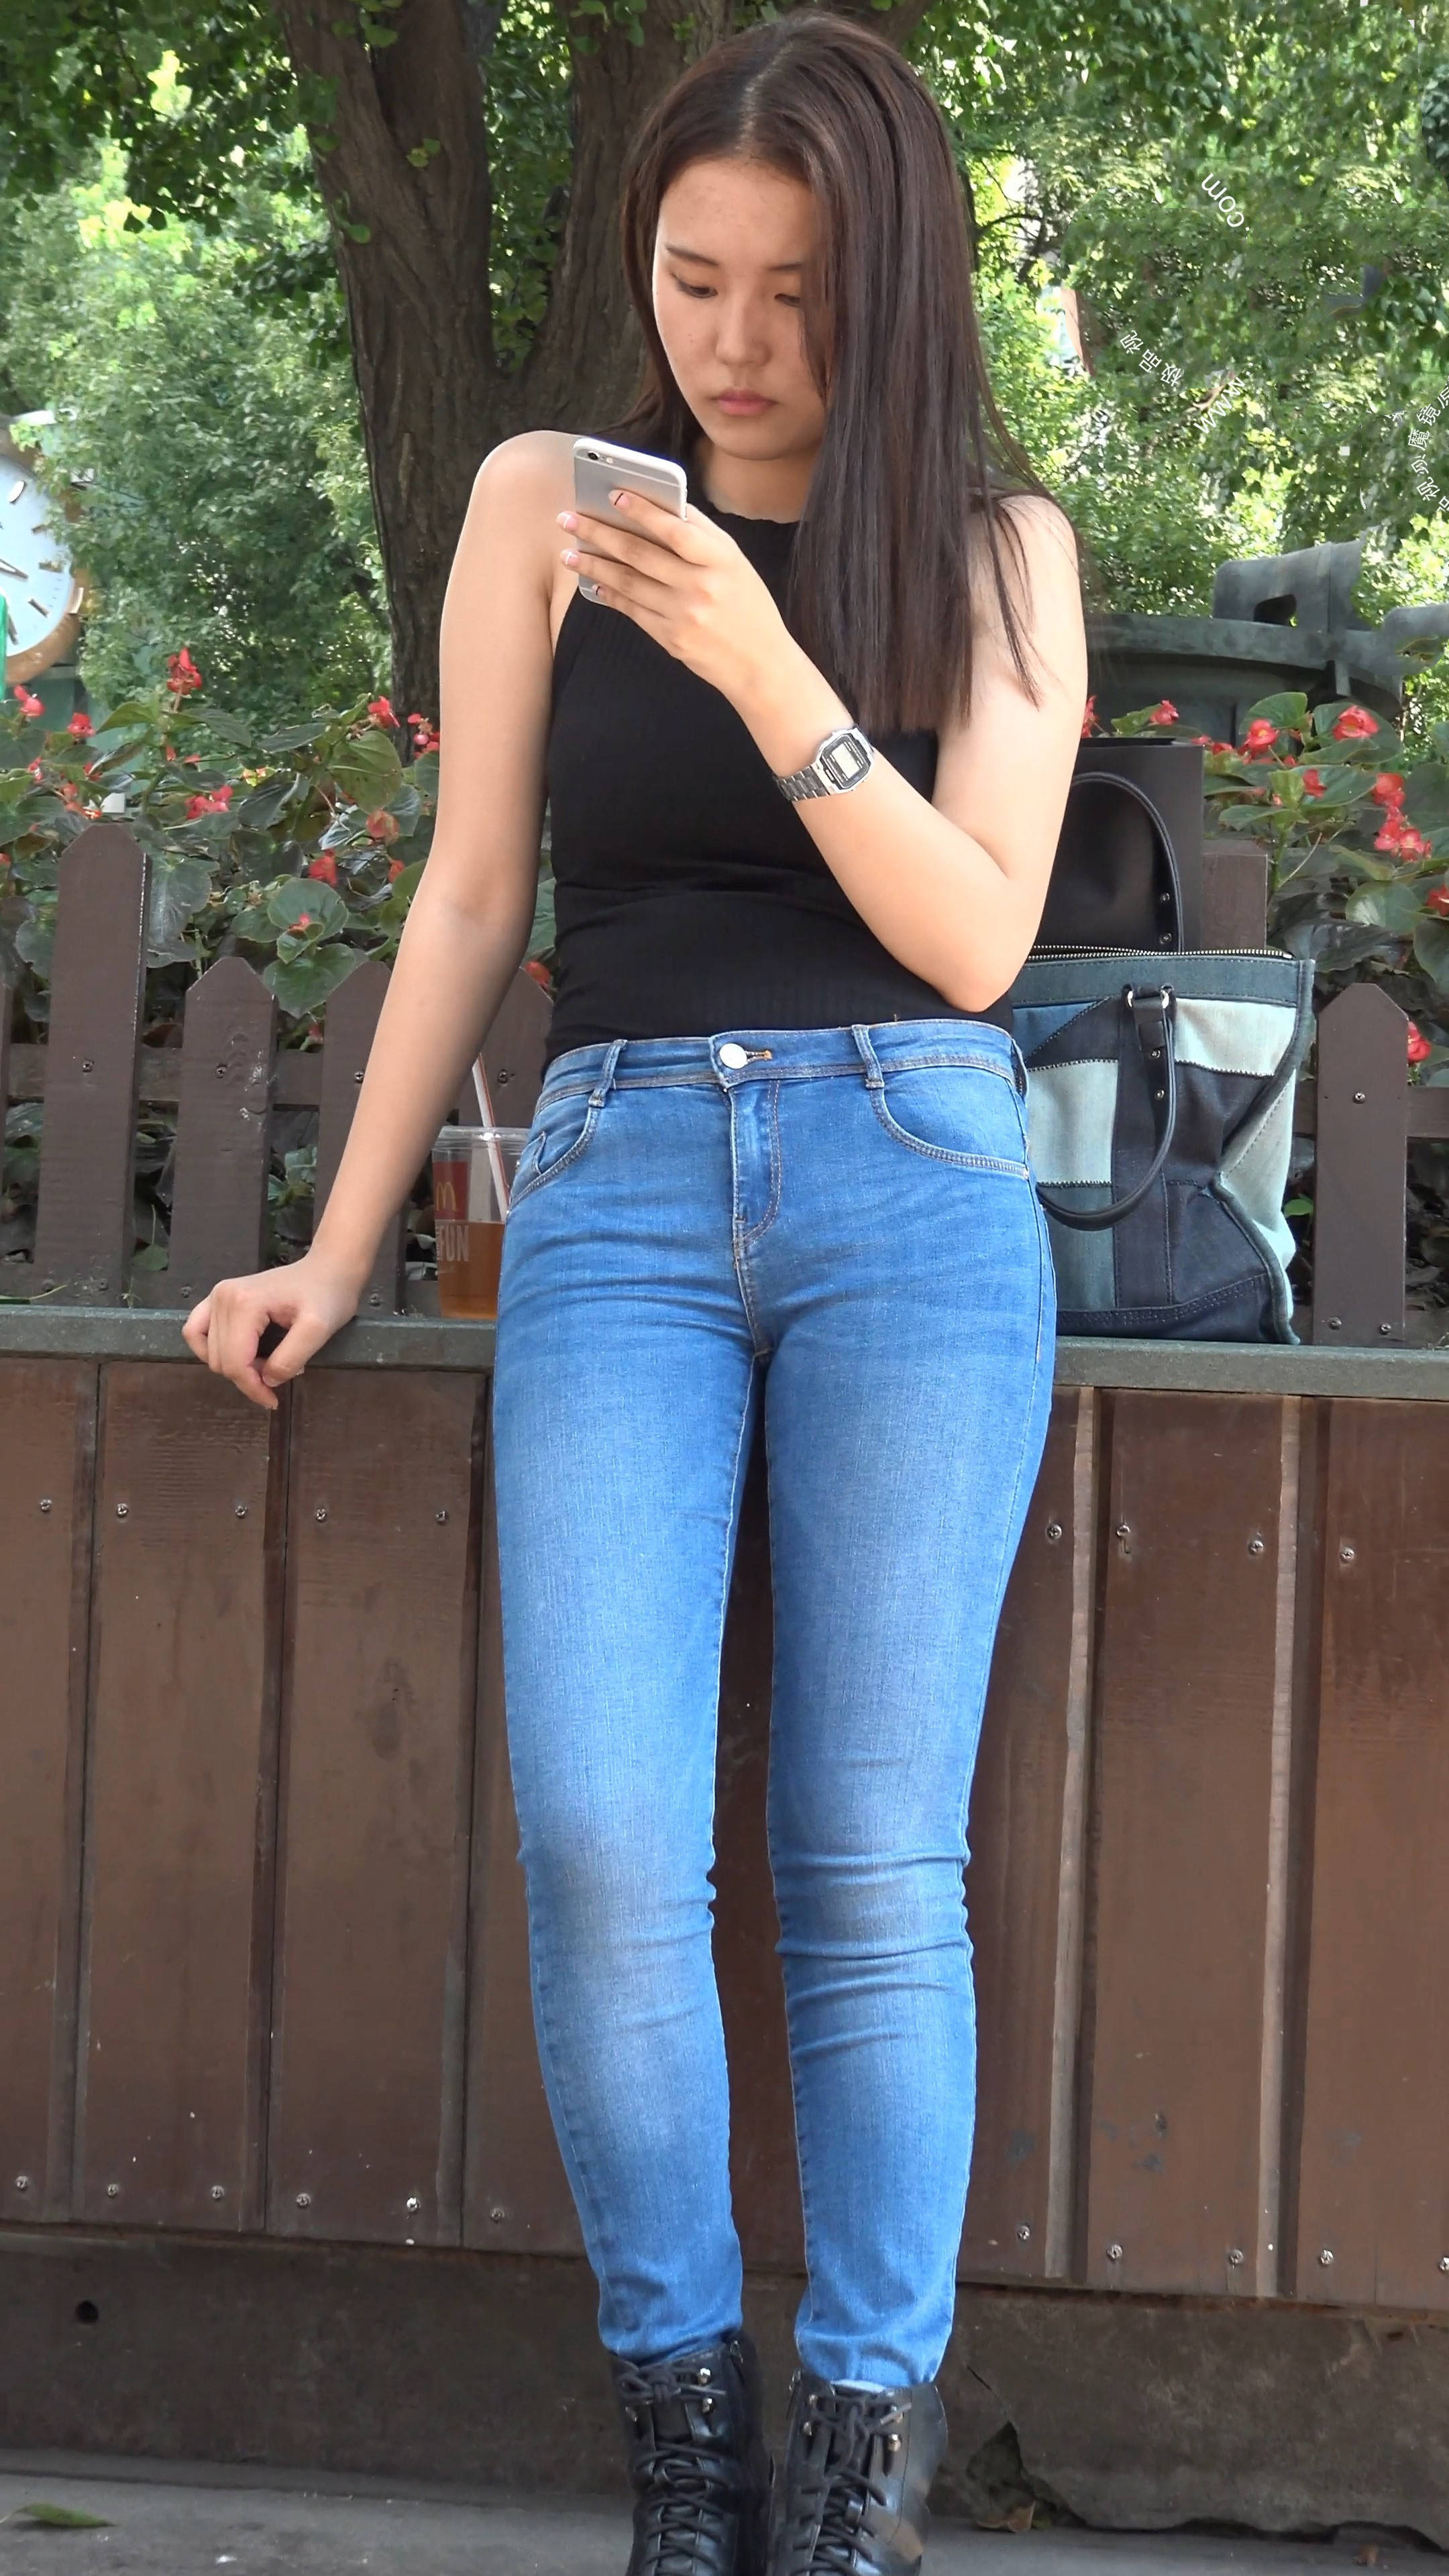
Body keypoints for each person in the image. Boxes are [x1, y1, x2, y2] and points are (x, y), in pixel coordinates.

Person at [184, 13, 1087, 2569]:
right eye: (695, 279)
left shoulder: (996, 548)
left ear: (893, 288)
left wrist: (764, 659)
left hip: (915, 1177)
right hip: (616, 1189)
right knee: (600, 1836)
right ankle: (689, 2452)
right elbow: (477, 891)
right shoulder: (539, 504)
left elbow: (978, 940)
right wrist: (340, 1243)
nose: (737, 341)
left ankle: (859, 2465)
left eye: (798, 291)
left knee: (870, 1862)